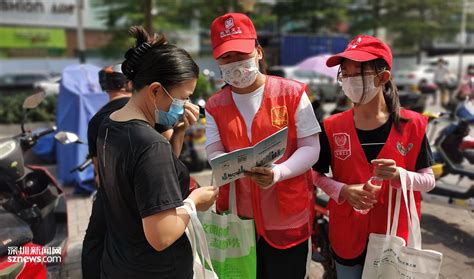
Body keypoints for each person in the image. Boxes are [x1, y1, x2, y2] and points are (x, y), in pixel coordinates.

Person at [96, 26, 218, 278]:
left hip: (120, 262)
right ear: (154, 90)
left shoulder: (109, 123)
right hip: (154, 269)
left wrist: (180, 132)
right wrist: (194, 202)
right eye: (183, 97)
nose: (186, 105)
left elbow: (151, 182)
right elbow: (161, 236)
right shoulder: (151, 144)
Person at [205, 13, 321, 278]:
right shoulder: (214, 105)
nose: (235, 63)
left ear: (258, 51)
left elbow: (311, 147)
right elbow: (213, 150)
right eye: (226, 57)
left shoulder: (292, 93)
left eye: (241, 54)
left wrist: (279, 173)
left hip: (286, 217)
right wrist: (227, 163)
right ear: (217, 60)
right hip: (238, 218)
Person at [312, 35, 436, 278]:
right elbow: (315, 175)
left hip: (394, 235)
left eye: (358, 72)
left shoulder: (413, 125)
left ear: (383, 77)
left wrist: (400, 175)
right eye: (345, 73)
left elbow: (428, 180)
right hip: (348, 233)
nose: (349, 80)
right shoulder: (331, 126)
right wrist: (343, 191)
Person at [82, 64, 175, 278]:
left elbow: (99, 170)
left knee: (93, 243)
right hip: (148, 196)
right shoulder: (147, 110)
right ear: (129, 83)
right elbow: (166, 144)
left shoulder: (99, 121)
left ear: (104, 87)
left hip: (110, 194)